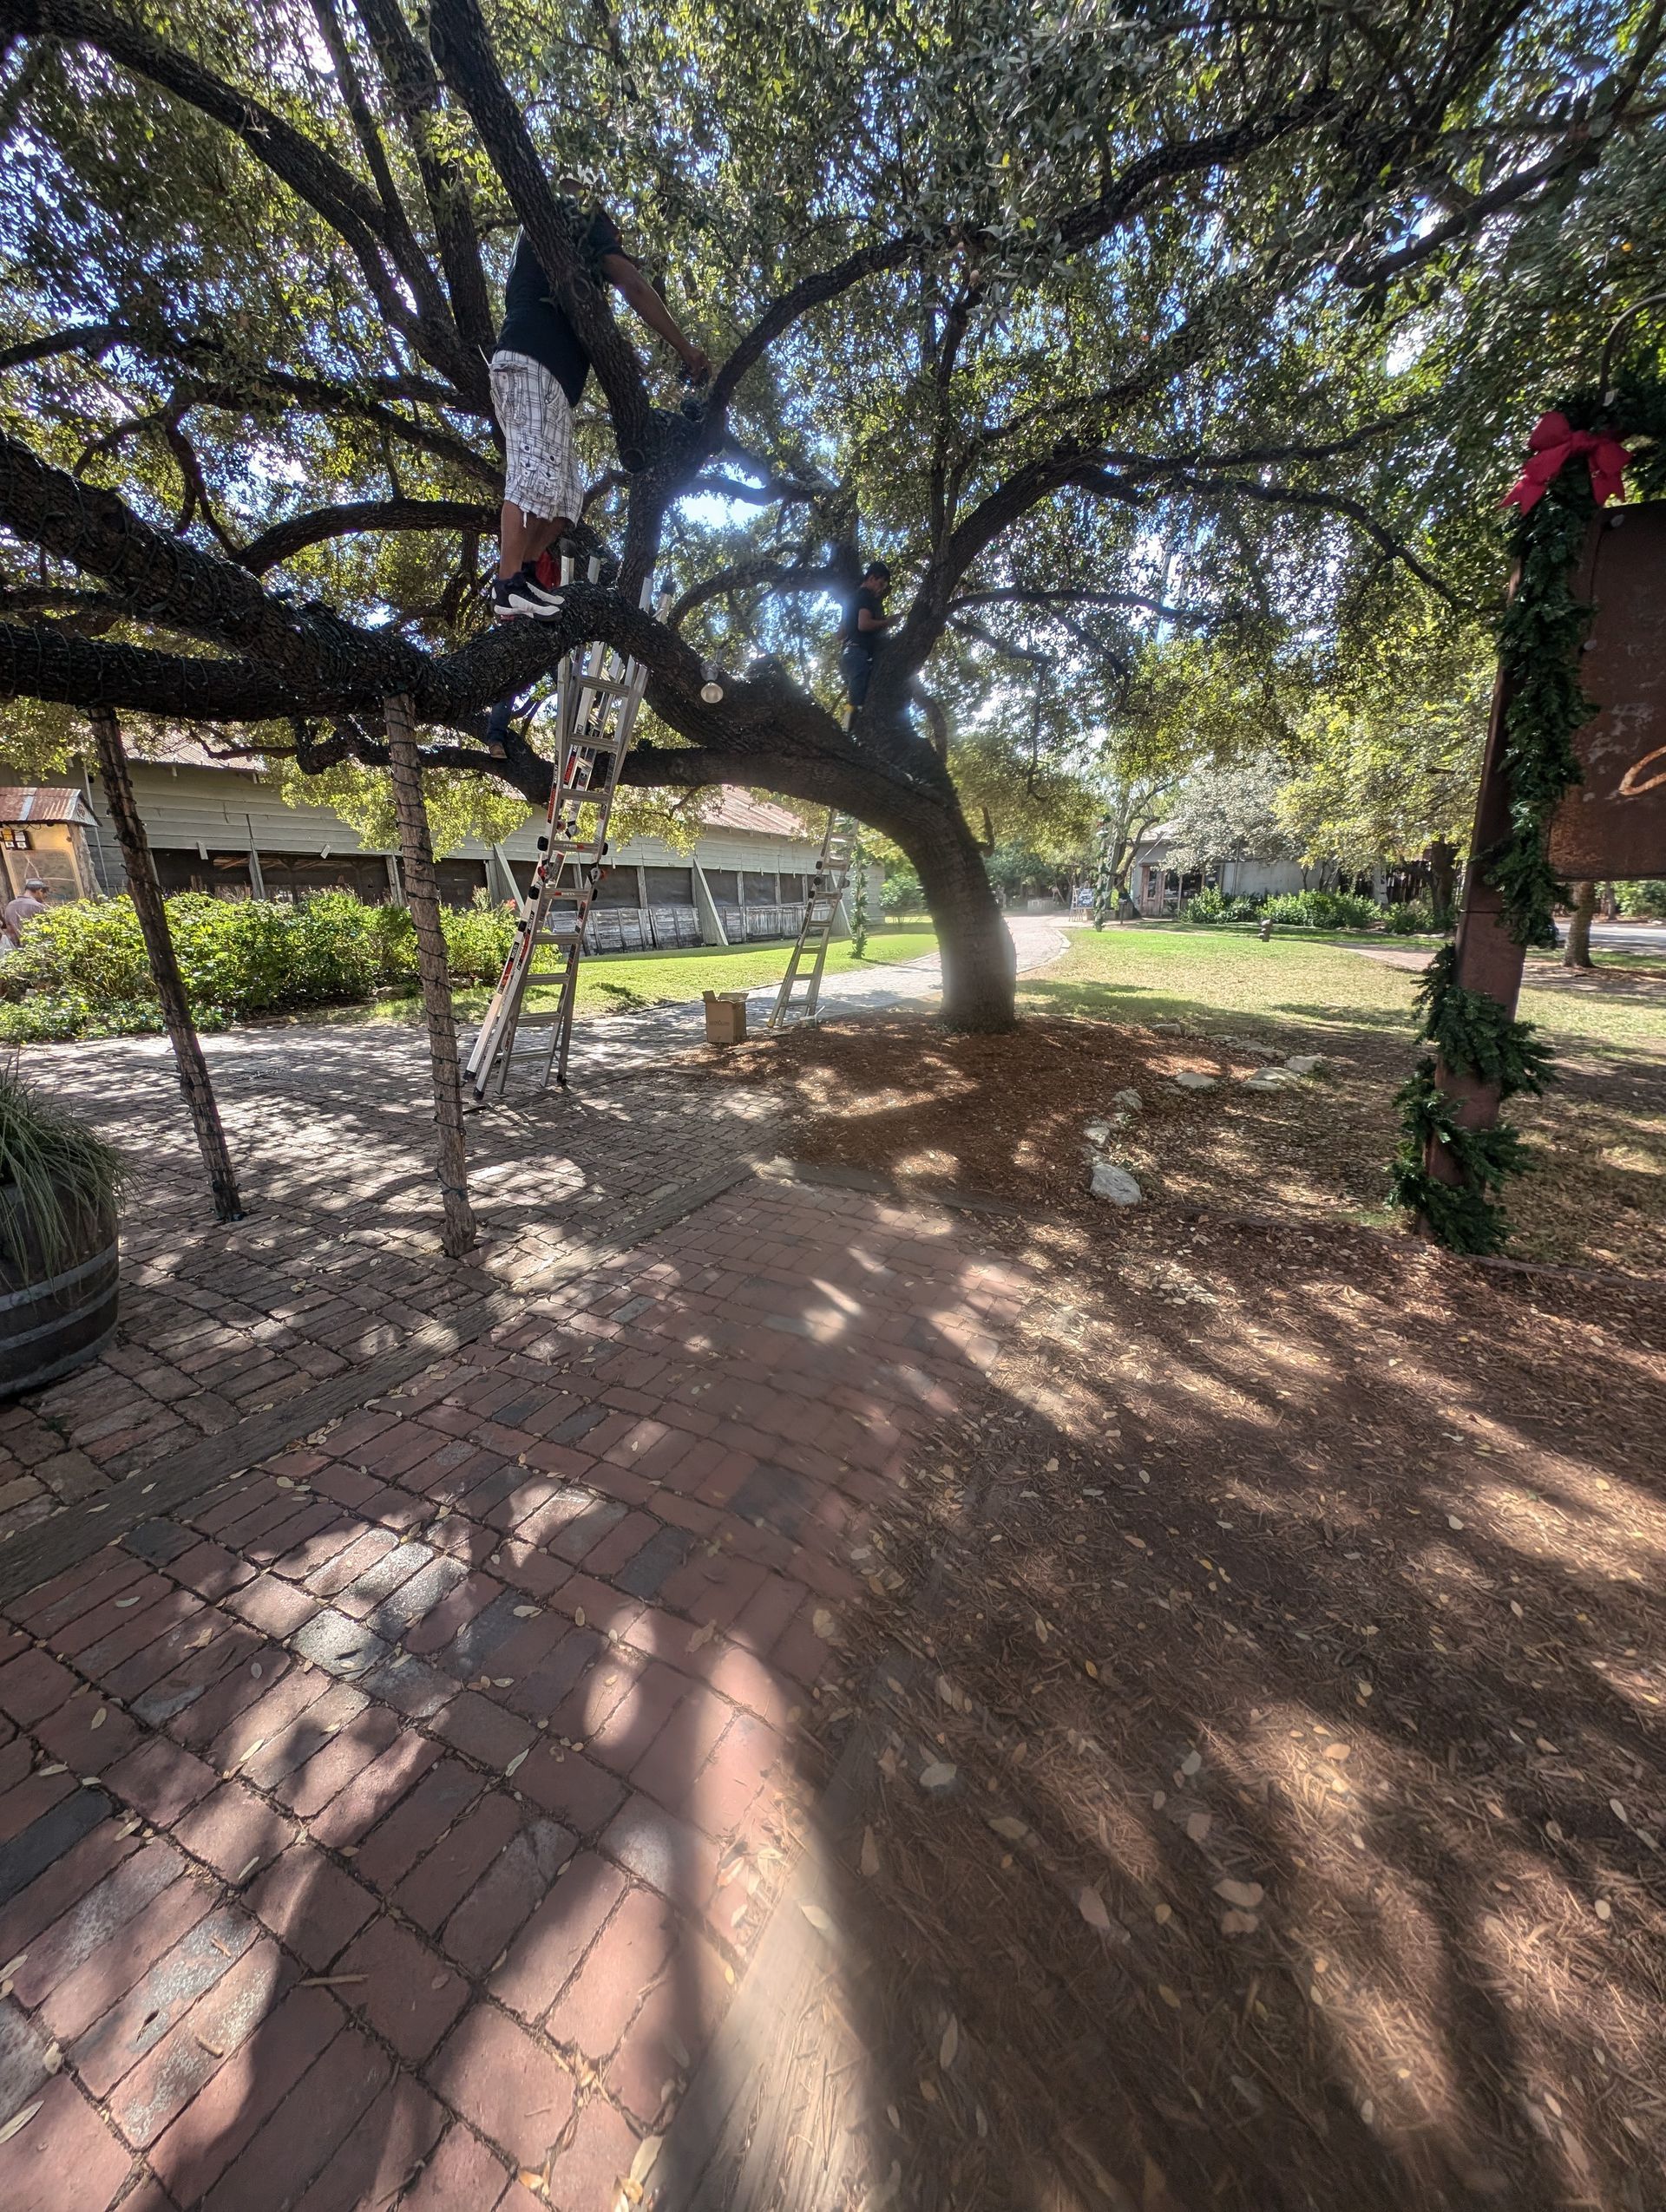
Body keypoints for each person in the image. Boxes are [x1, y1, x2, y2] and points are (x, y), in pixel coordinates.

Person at [491, 180, 709, 622]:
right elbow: (634, 285)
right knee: (530, 475)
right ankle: (507, 582)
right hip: (530, 364)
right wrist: (686, 349)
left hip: (549, 380)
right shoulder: (582, 221)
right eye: (619, 238)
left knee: (565, 500)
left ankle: (528, 575)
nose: (620, 244)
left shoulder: (558, 253)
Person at [839, 561, 895, 709]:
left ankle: (849, 726)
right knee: (858, 706)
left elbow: (840, 634)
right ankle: (848, 729)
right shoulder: (866, 596)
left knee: (858, 701)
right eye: (881, 583)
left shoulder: (852, 599)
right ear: (871, 578)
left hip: (848, 655)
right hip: (858, 654)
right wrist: (887, 622)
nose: (882, 589)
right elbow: (864, 625)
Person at [3, 876, 48, 947]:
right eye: (44, 894)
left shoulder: (10, 906)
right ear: (39, 891)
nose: (44, 897)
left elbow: (10, 931)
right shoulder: (38, 907)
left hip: (18, 950)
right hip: (38, 949)